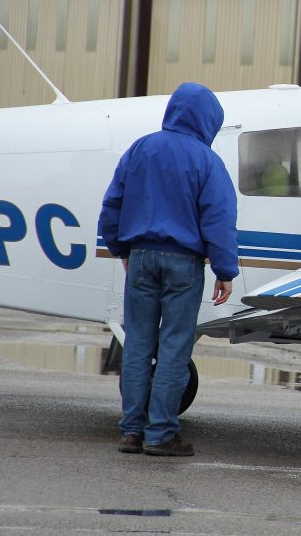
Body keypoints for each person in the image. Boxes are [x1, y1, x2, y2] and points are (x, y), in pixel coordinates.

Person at [99, 82, 238, 457]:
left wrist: (120, 247)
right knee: (174, 346)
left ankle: (131, 430)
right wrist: (225, 269)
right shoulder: (207, 161)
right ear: (208, 120)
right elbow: (220, 218)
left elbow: (113, 202)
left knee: (138, 345)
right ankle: (160, 434)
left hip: (141, 258)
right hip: (184, 264)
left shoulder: (140, 148)